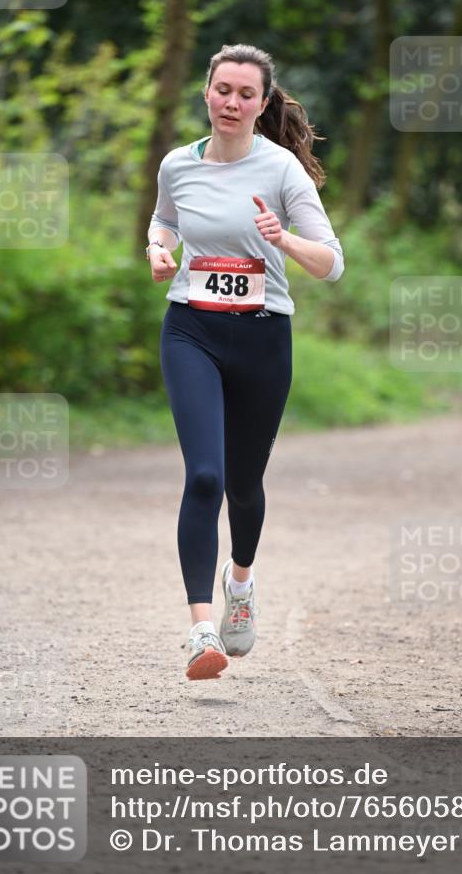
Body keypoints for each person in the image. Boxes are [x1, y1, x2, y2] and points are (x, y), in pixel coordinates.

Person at [145, 43, 344, 679]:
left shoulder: (282, 170)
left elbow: (332, 263)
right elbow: (163, 220)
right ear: (206, 93)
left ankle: (242, 583)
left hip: (262, 337)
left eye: (245, 94)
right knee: (203, 476)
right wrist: (159, 248)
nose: (232, 102)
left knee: (244, 484)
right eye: (222, 90)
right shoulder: (178, 165)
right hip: (190, 331)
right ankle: (202, 632)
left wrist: (283, 239)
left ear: (261, 104)